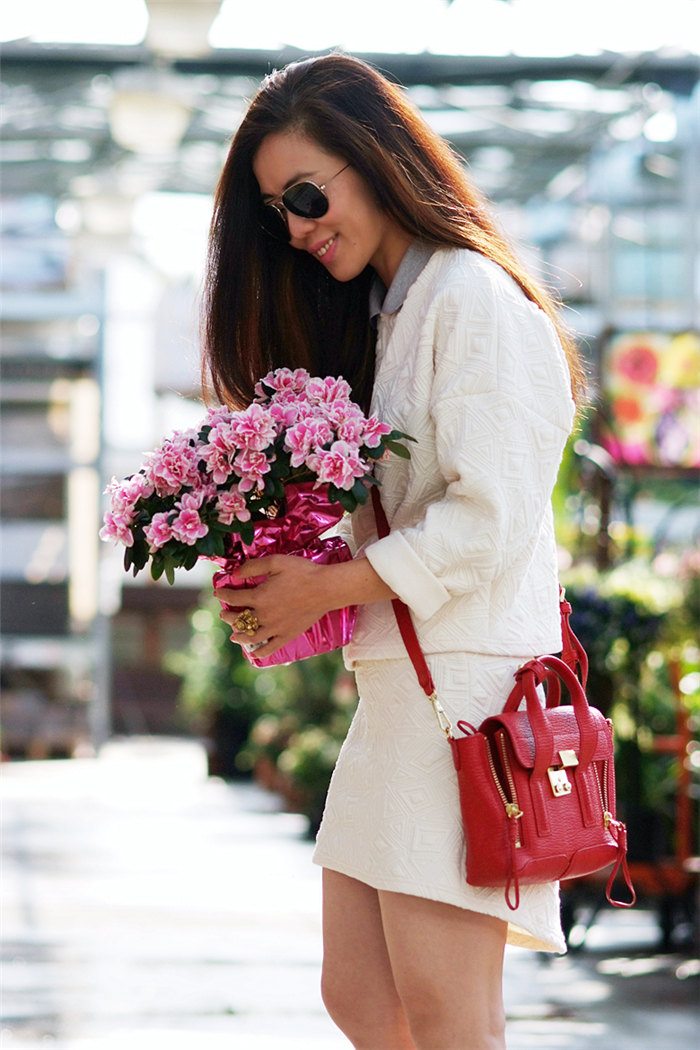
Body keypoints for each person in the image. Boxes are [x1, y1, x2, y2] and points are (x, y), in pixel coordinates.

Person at [203, 51, 585, 1050]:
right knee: (365, 1003)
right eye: (275, 212)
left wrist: (326, 581)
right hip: (404, 699)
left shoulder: (471, 298)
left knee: (448, 1019)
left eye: (304, 194)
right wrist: (276, 567)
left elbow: (488, 520)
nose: (293, 228)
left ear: (372, 159)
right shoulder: (393, 311)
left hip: (465, 700)